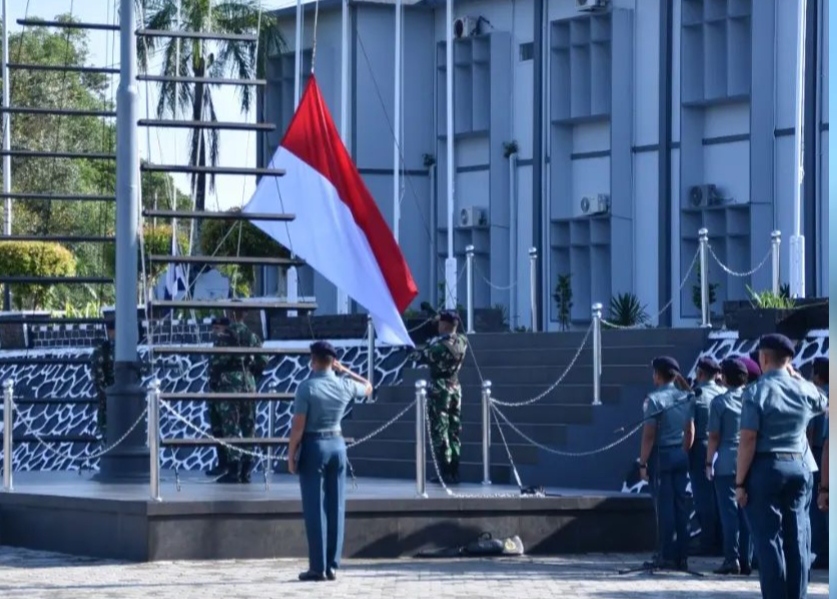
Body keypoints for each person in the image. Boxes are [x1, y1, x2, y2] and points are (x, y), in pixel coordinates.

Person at [736, 334, 828, 599]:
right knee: (797, 537)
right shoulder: (807, 389)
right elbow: (826, 405)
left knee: (769, 541)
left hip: (766, 468)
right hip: (800, 467)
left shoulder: (756, 391)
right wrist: (798, 379)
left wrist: (740, 483)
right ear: (789, 361)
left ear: (763, 358)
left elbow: (748, 440)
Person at [288, 341, 372, 582]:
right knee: (336, 507)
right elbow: (368, 386)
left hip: (315, 446)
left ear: (313, 360)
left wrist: (291, 454)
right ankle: (333, 565)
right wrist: (345, 370)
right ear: (333, 362)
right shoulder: (345, 385)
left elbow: (298, 428)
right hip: (338, 444)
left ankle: (317, 567)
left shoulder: (307, 388)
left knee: (315, 508)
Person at [637, 356, 692, 570]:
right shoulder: (686, 397)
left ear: (658, 375)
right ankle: (682, 555)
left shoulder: (654, 400)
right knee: (681, 506)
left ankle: (665, 555)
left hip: (662, 458)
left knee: (664, 508)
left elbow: (649, 435)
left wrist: (642, 464)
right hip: (680, 455)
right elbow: (690, 430)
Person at [207, 307, 268, 484]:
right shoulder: (252, 336)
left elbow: (216, 362)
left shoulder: (224, 337)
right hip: (248, 384)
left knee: (230, 426)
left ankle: (233, 470)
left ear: (229, 314)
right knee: (248, 426)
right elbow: (263, 360)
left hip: (228, 385)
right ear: (245, 314)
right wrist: (251, 373)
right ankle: (247, 471)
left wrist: (215, 380)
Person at [705, 358, 752, 575]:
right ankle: (747, 558)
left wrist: (708, 462)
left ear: (724, 377)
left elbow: (713, 436)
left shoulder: (719, 402)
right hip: (750, 460)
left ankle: (731, 559)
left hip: (725, 461)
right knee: (747, 513)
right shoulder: (754, 399)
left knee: (729, 513)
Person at [409, 310, 468, 484]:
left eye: (440, 323)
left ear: (444, 325)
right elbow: (455, 331)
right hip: (455, 387)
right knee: (454, 430)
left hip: (440, 389)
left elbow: (418, 357)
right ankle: (455, 469)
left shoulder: (439, 347)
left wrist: (410, 346)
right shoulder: (462, 342)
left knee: (440, 431)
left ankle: (445, 471)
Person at [683, 357, 724, 555]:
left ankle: (708, 542)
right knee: (721, 497)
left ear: (699, 373)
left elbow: (690, 430)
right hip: (723, 448)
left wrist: (685, 452)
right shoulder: (723, 393)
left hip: (701, 447)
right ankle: (724, 541)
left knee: (703, 498)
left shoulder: (695, 396)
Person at [807, 357, 828, 568]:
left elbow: (811, 432)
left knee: (820, 506)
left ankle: (823, 553)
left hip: (821, 453)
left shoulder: (818, 396)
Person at [205, 317, 231, 477]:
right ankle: (222, 463)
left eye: (218, 328)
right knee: (217, 430)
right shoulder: (217, 345)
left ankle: (231, 466)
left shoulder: (230, 344)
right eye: (214, 328)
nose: (215, 332)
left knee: (229, 429)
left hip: (228, 391)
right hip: (216, 392)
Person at [89, 319, 116, 441]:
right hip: (107, 396)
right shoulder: (103, 350)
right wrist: (105, 390)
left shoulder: (121, 349)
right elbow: (97, 374)